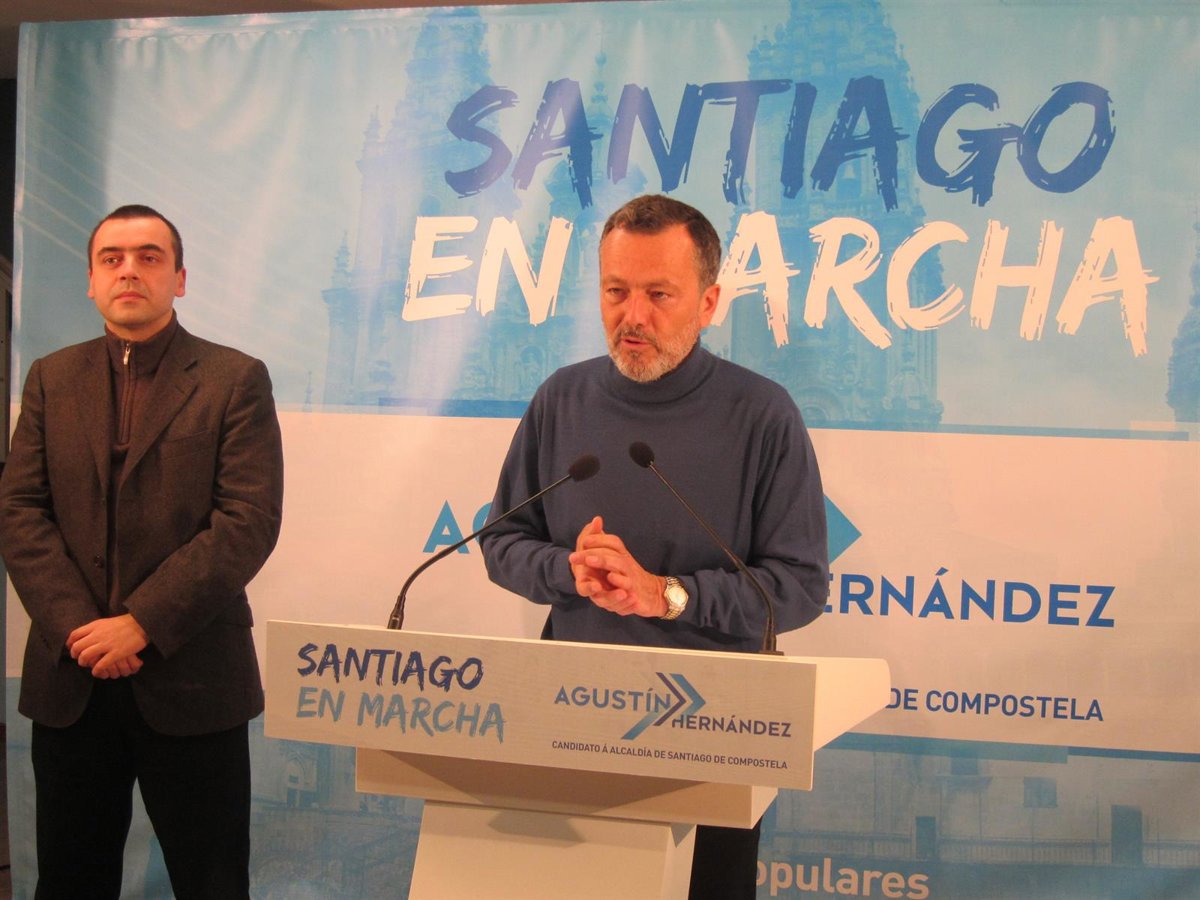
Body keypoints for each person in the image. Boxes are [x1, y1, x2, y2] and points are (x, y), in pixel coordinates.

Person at [480, 194, 828, 899]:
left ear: (709, 303)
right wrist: (567, 571)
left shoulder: (762, 414)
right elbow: (501, 540)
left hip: (716, 729)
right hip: (572, 721)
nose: (632, 315)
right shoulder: (561, 399)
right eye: (616, 291)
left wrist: (667, 595)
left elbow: (799, 585)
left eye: (658, 294)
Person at [0, 204, 285, 899]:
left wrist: (140, 624)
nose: (129, 270)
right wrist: (80, 628)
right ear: (92, 282)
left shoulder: (234, 379)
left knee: (213, 882)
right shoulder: (50, 378)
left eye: (149, 257)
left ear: (179, 279)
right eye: (112, 258)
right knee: (70, 881)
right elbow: (21, 511)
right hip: (72, 680)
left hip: (194, 677)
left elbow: (246, 521)